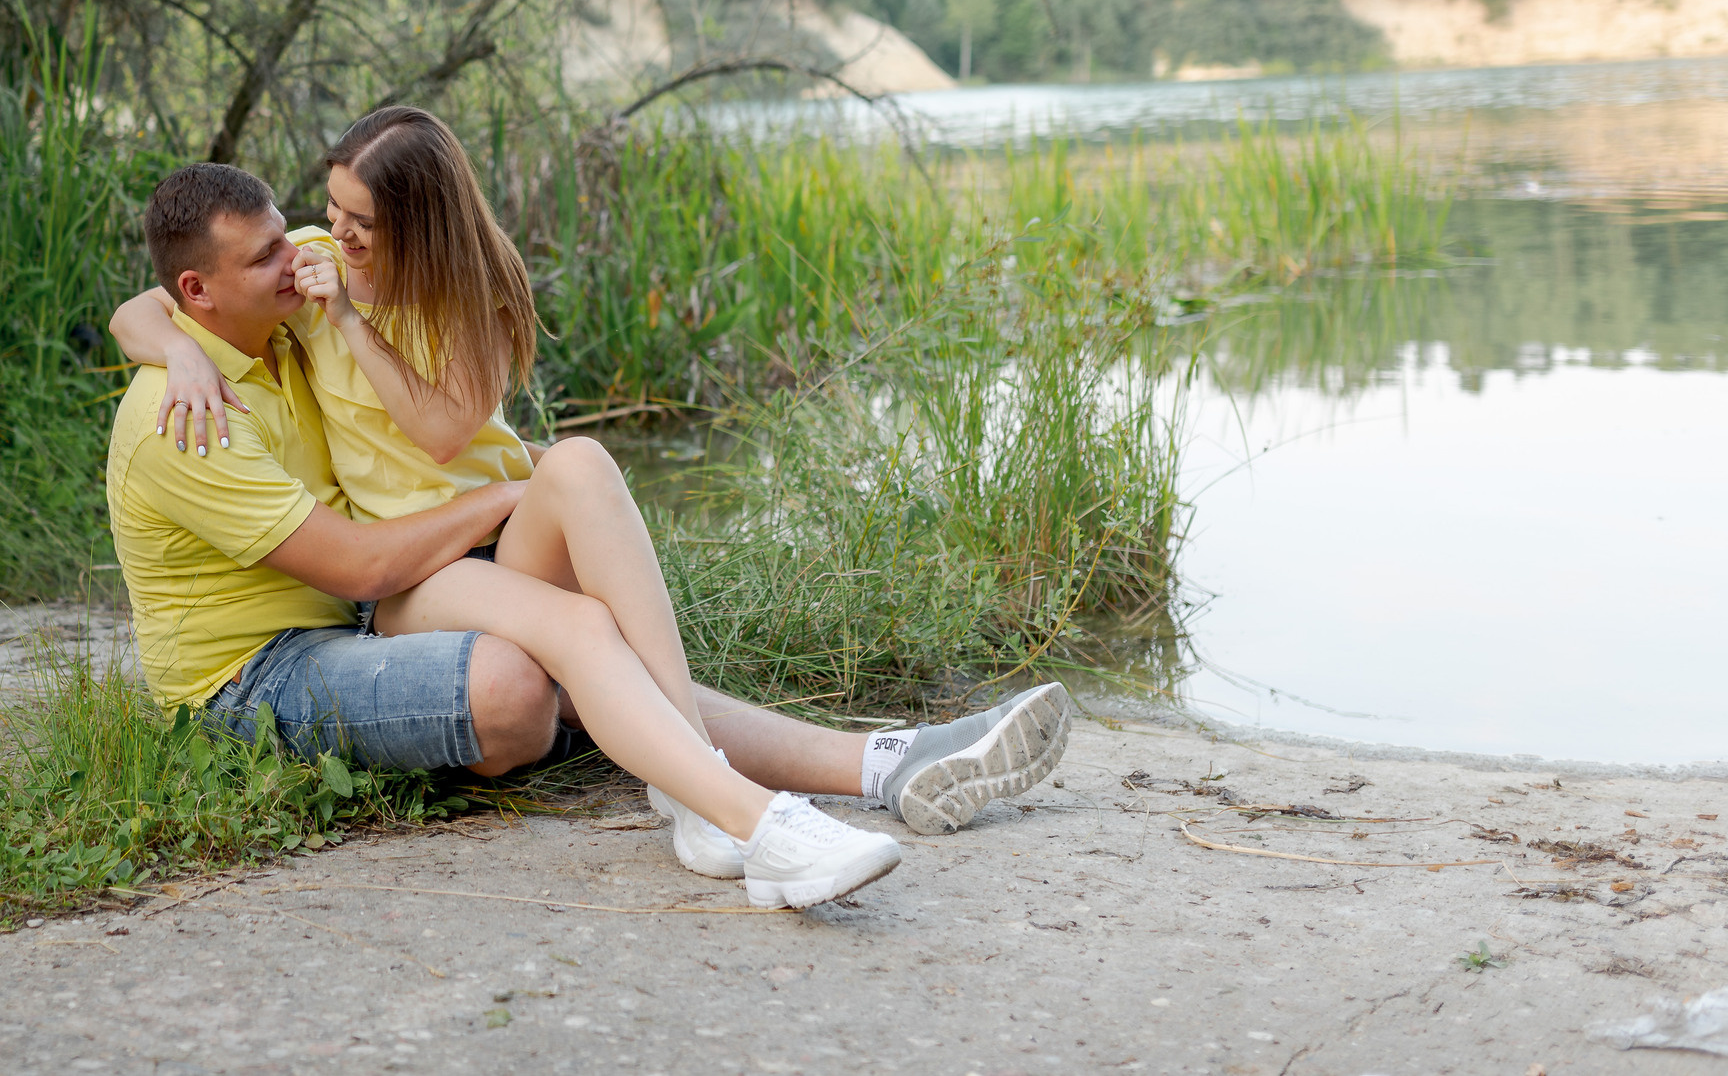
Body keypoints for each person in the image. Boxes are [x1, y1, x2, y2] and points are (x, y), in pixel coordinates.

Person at [110, 110, 1072, 878]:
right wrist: (178, 351)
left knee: (581, 466)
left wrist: (302, 321)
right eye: (313, 229)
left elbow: (428, 416)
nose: (316, 247)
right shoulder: (254, 342)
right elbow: (153, 302)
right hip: (371, 596)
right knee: (580, 638)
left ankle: (845, 765)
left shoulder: (375, 293)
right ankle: (746, 800)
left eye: (338, 228)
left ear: (415, 228)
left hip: (448, 558)